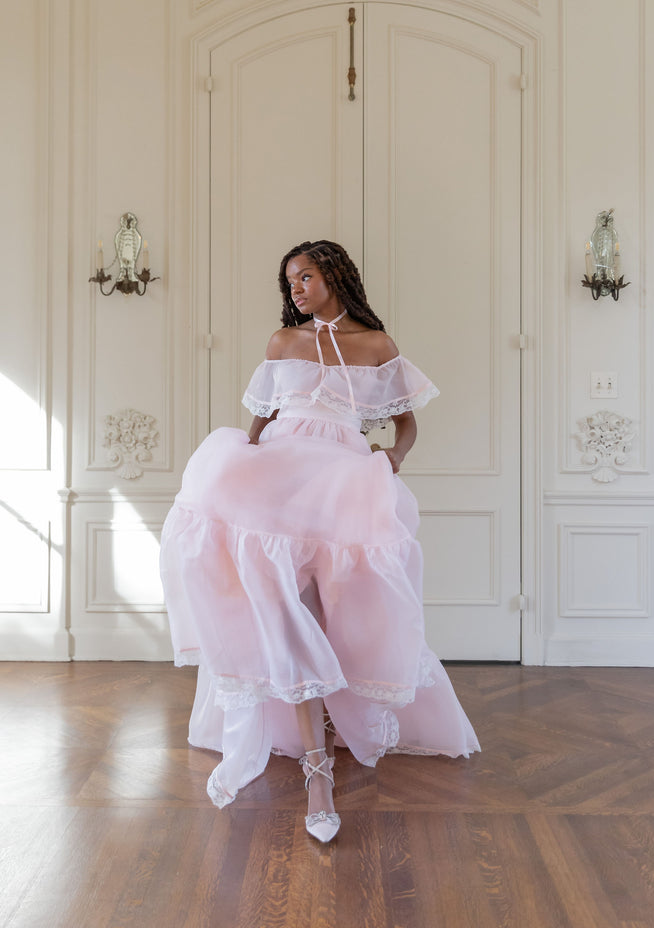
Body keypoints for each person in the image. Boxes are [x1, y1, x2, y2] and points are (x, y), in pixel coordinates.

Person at [160, 240, 479, 843]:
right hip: (280, 477)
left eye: (304, 277)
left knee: (335, 608)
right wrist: (240, 469)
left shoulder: (376, 345)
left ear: (334, 275)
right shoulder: (283, 342)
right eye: (290, 282)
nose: (296, 289)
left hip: (341, 480)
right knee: (290, 607)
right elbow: (260, 423)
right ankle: (316, 768)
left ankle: (330, 731)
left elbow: (407, 421)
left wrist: (395, 457)